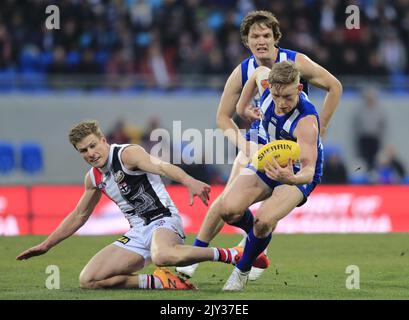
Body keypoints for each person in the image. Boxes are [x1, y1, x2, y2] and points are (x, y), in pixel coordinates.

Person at [177, 10, 342, 281]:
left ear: (276, 38)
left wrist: (321, 126)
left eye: (266, 35)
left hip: (293, 143)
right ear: (246, 41)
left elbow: (334, 86)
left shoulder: (296, 61)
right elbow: (222, 118)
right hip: (262, 139)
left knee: (269, 211)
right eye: (255, 36)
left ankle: (249, 250)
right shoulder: (245, 71)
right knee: (227, 201)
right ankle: (195, 257)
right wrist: (244, 144)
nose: (261, 40)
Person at [16, 120, 268, 290]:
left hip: (164, 220)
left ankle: (231, 255)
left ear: (103, 140)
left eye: (93, 145)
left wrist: (189, 180)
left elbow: (161, 166)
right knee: (89, 280)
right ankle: (161, 281)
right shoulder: (93, 177)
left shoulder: (127, 154)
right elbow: (79, 215)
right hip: (137, 233)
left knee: (162, 254)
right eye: (83, 150)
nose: (91, 153)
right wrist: (46, 245)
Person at [221, 60, 324, 291]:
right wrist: (242, 108)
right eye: (277, 96)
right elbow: (257, 72)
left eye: (288, 97)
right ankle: (260, 238)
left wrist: (291, 178)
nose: (281, 103)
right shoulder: (266, 82)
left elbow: (308, 170)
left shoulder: (306, 121)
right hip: (270, 159)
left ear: (299, 89)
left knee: (264, 220)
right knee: (228, 209)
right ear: (270, 87)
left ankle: (241, 271)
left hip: (295, 172)